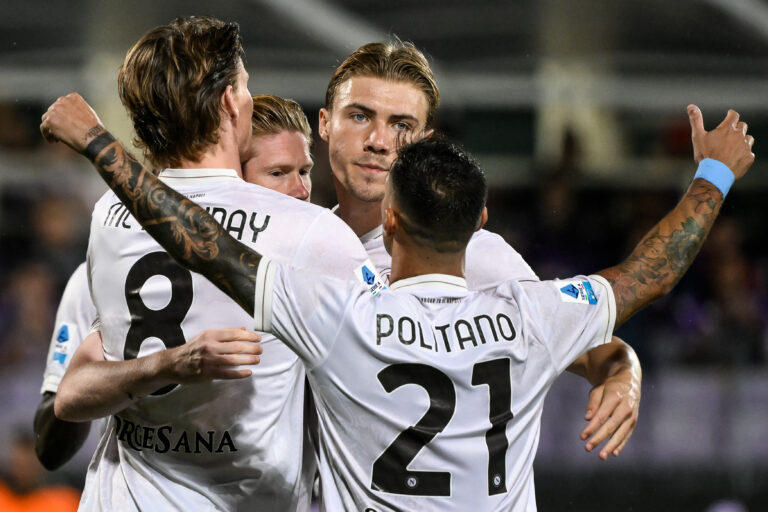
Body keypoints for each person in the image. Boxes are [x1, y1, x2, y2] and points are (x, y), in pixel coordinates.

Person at [40, 92, 754, 510]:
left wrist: (99, 143)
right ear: (478, 224)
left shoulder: (341, 315)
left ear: (389, 222)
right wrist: (714, 173)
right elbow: (651, 272)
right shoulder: (534, 314)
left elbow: (203, 243)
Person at [44, 17, 376, 512]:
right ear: (227, 102)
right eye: (244, 86)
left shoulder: (109, 216)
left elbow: (74, 392)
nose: (247, 99)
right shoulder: (307, 230)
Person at [318, 40, 640, 457]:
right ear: (325, 123)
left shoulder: (477, 255)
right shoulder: (296, 242)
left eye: (401, 125)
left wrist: (624, 372)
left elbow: (587, 345)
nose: (378, 140)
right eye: (360, 116)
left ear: (425, 142)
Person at [32, 93, 318, 471]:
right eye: (278, 173)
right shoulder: (99, 275)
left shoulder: (306, 271)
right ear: (236, 180)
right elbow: (51, 443)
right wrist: (146, 367)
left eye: (305, 170)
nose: (300, 190)